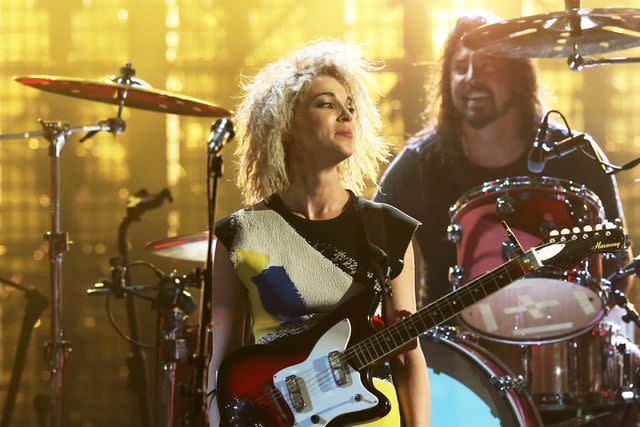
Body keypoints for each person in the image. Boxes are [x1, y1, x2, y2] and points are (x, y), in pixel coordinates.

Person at [207, 41, 430, 427]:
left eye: (351, 106)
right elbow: (221, 363)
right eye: (326, 103)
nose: (345, 113)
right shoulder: (240, 234)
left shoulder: (389, 229)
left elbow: (409, 357)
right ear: (285, 124)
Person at [374, 12, 629, 308]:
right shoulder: (420, 162)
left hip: (558, 339)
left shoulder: (575, 154)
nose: (471, 78)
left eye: (486, 66)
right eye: (460, 68)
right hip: (449, 348)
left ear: (517, 76)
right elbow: (369, 249)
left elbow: (617, 260)